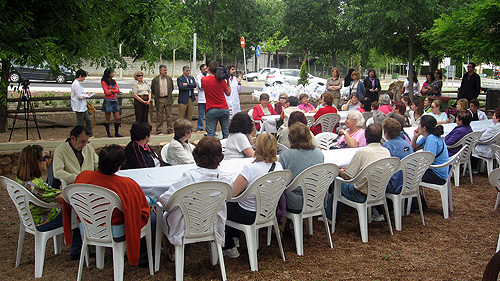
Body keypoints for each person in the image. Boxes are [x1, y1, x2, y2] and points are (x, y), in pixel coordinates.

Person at [73, 144, 151, 266]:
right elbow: (139, 205)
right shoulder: (126, 185)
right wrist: (151, 201)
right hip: (115, 230)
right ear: (119, 166)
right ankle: (143, 259)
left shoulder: (82, 177)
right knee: (151, 218)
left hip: (87, 226)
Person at [158, 137, 231, 254]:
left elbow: (166, 200)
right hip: (213, 223)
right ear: (220, 157)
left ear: (197, 155)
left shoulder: (189, 177)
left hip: (186, 225)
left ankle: (172, 251)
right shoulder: (226, 179)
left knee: (168, 211)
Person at [17, 145, 82, 260]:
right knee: (80, 211)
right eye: (44, 158)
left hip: (32, 218)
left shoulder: (21, 180)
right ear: (35, 162)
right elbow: (64, 198)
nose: (47, 161)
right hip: (45, 221)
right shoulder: (36, 185)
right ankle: (78, 250)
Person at [223, 133, 283, 258]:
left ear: (257, 148)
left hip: (249, 213)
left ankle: (229, 245)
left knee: (222, 206)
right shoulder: (279, 167)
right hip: (269, 211)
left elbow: (232, 193)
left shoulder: (251, 169)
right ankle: (235, 237)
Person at [326, 124, 390, 220]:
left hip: (360, 195)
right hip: (379, 192)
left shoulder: (362, 152)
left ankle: (330, 217)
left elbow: (347, 176)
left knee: (337, 183)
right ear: (381, 137)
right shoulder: (386, 151)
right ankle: (377, 213)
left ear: (365, 136)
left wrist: (339, 171)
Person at [279, 123, 324, 213]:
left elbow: (280, 179)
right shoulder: (319, 153)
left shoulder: (286, 155)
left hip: (294, 202)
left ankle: (280, 223)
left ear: (290, 138)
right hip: (317, 198)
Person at [410, 115, 449, 185]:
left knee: (409, 174)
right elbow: (413, 148)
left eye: (419, 124)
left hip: (438, 175)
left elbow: (429, 160)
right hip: (437, 171)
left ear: (424, 128)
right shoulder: (429, 136)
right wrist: (415, 136)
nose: (418, 127)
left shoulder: (432, 139)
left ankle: (414, 195)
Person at [382, 118, 414, 194]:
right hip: (411, 183)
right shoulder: (407, 144)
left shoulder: (387, 146)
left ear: (386, 133)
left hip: (395, 185)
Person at [202, 61, 231, 138]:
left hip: (211, 108)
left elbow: (202, 87)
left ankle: (211, 149)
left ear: (208, 69)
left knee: (210, 134)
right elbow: (228, 93)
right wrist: (227, 80)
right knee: (226, 132)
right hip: (223, 108)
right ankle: (227, 148)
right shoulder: (222, 81)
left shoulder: (204, 80)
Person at [151, 65, 174, 135]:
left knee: (169, 115)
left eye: (166, 70)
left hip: (167, 98)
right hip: (160, 99)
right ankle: (159, 130)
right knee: (159, 115)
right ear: (160, 71)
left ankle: (169, 129)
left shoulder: (169, 79)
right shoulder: (155, 80)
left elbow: (172, 88)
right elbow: (153, 89)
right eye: (164, 70)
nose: (165, 72)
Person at [70, 69, 93, 136]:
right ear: (80, 76)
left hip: (83, 106)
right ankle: (78, 134)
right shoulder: (76, 84)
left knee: (88, 120)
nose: (84, 79)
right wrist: (86, 96)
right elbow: (79, 96)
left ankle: (90, 133)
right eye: (83, 77)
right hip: (79, 106)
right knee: (80, 122)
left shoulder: (78, 84)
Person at [100, 68, 123, 137]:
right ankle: (108, 133)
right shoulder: (104, 81)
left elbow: (118, 90)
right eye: (112, 72)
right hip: (108, 100)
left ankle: (116, 132)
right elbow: (106, 92)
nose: (113, 74)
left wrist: (111, 90)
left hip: (114, 100)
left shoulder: (113, 81)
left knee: (117, 117)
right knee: (107, 117)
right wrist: (114, 90)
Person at [195, 64, 209, 131]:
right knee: (201, 114)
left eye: (206, 69)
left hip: (208, 98)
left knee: (208, 114)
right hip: (201, 98)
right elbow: (201, 86)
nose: (205, 70)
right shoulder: (198, 76)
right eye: (203, 69)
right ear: (201, 70)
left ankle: (208, 127)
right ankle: (200, 127)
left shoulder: (209, 76)